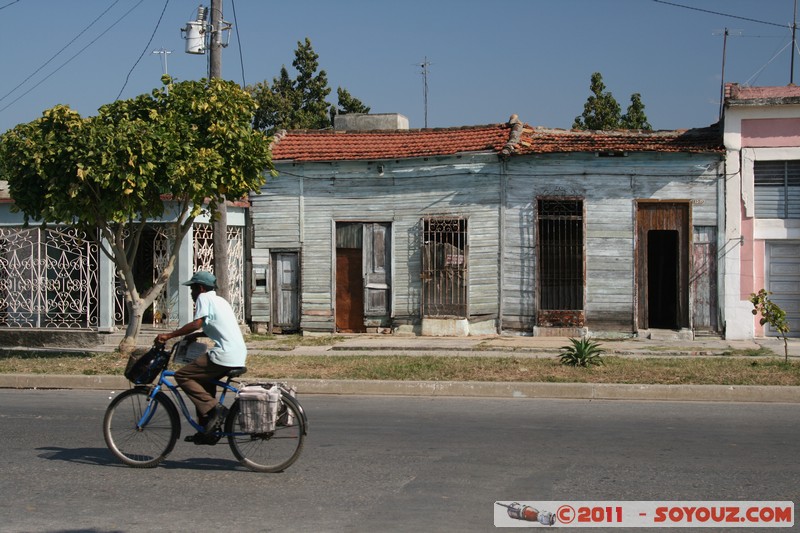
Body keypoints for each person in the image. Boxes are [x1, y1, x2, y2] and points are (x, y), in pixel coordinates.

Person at [155, 271, 247, 439]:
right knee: (202, 380)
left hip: (225, 355)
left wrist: (168, 336)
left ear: (201, 288)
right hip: (238, 354)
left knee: (182, 375)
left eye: (193, 289)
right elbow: (221, 328)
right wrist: (197, 335)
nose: (191, 293)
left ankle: (215, 408)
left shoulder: (203, 298)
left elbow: (196, 323)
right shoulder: (221, 301)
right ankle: (206, 431)